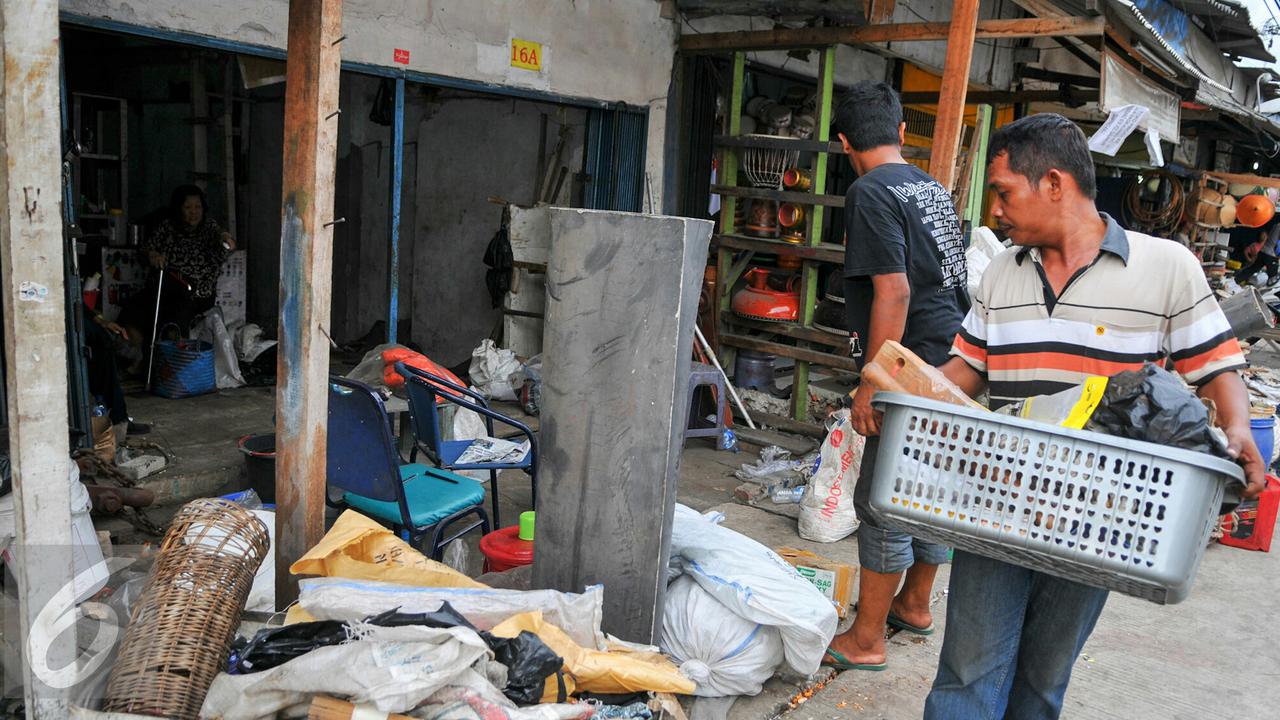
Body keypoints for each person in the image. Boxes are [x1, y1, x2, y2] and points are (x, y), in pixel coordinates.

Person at [926, 113, 1266, 719]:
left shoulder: (1166, 266)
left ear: (1053, 184)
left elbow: (1216, 364)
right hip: (996, 495)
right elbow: (966, 370)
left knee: (1041, 683)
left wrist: (1237, 429)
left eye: (1004, 192)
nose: (995, 212)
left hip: (1100, 515)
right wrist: (900, 390)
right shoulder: (1003, 270)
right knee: (968, 675)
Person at [821, 81, 968, 672]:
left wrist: (872, 381)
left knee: (882, 500)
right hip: (953, 361)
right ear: (903, 133)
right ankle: (915, 604)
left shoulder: (869, 191)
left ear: (842, 142)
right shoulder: (930, 187)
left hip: (909, 368)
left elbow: (896, 289)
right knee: (931, 494)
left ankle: (866, 639)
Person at [118, 184, 235, 374]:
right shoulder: (168, 226)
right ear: (178, 209)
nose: (193, 212)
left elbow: (223, 240)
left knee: (174, 312)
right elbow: (147, 249)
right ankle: (140, 359)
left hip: (197, 293)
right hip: (167, 285)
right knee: (134, 309)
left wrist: (226, 239)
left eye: (197, 207)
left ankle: (173, 368)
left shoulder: (209, 228)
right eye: (188, 207)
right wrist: (153, 255)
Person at [1235, 215, 1279, 286]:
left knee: (1252, 269)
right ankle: (1273, 295)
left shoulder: (1276, 225)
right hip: (1271, 255)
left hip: (1262, 252)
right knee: (1273, 277)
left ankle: (1236, 280)